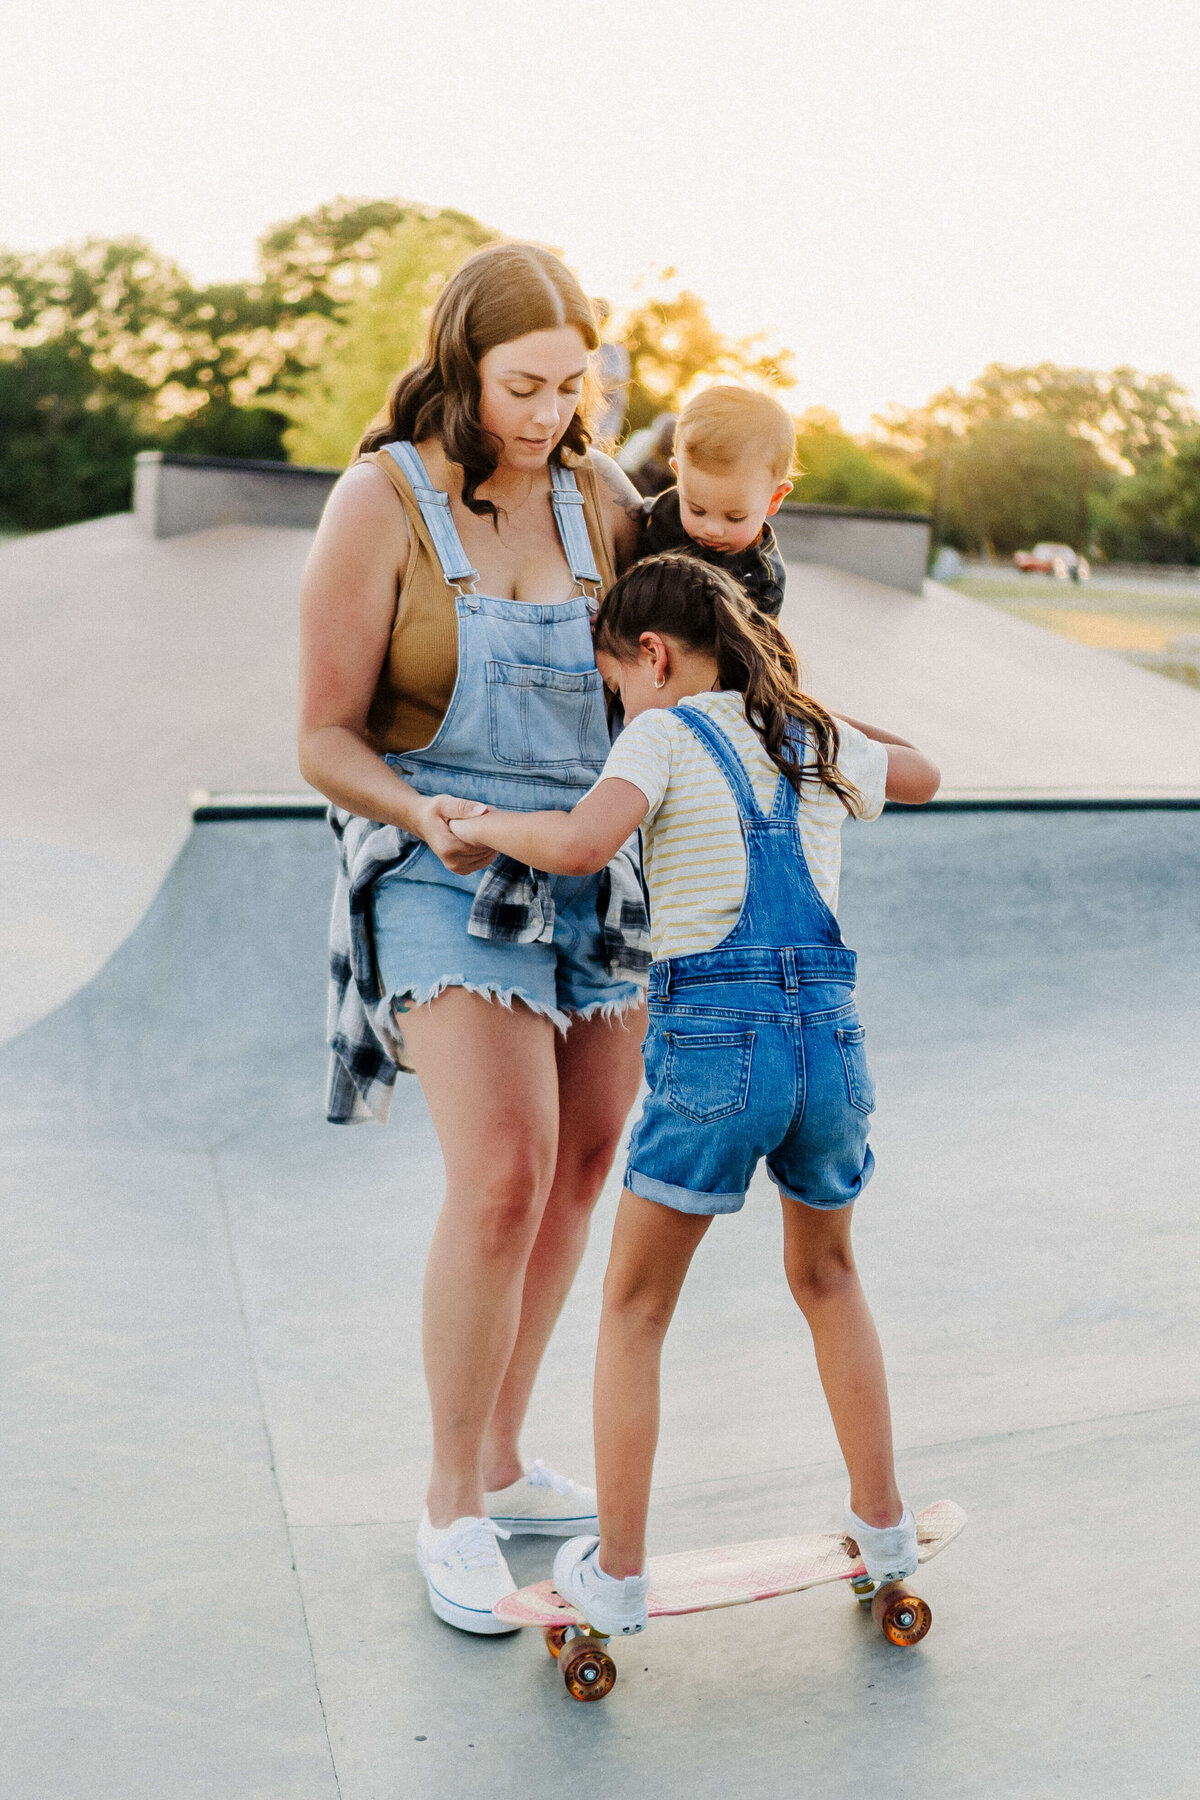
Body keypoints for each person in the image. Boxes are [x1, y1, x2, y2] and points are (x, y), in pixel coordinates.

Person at [446, 552, 941, 1637]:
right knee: (830, 1278)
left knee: (634, 1310)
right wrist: (790, 699)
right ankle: (886, 1527)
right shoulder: (806, 737)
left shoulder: (660, 733)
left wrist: (479, 822)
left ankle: (615, 1574)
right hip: (830, 1051)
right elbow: (923, 773)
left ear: (654, 657)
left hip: (719, 1051)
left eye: (619, 677)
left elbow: (581, 844)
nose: (622, 696)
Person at [297, 242, 652, 1636]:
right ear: (462, 363)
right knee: (500, 1171)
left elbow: (695, 650)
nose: (551, 411)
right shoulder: (379, 500)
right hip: (439, 856)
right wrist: (421, 808)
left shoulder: (604, 499)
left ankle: (505, 1456)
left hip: (588, 860)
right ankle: (449, 1503)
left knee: (581, 1160)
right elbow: (322, 737)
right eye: (524, 384)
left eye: (575, 385)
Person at [640, 385, 794, 616]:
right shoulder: (666, 512)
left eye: (734, 517)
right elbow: (634, 572)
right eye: (696, 510)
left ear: (774, 498)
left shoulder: (762, 580)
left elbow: (755, 649)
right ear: (679, 478)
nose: (711, 529)